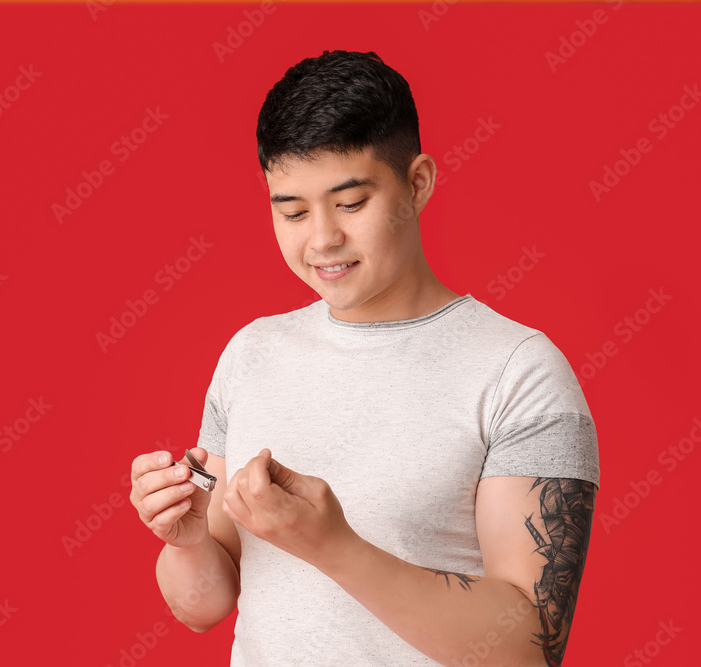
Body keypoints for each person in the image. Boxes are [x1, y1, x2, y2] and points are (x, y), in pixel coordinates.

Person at [129, 49, 600, 667]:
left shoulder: (518, 373)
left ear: (418, 182)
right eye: (292, 210)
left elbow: (529, 649)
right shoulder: (251, 354)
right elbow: (205, 607)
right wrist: (186, 540)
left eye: (350, 204)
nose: (321, 238)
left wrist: (334, 547)